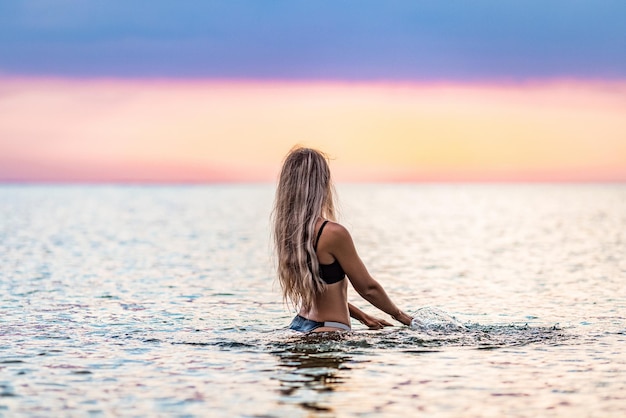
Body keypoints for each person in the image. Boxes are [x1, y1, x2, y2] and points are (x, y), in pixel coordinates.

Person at [272, 146, 413, 333]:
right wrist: (400, 316)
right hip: (329, 330)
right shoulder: (332, 233)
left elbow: (322, 292)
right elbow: (368, 288)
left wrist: (363, 316)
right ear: (322, 183)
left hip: (300, 325)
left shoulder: (290, 233)